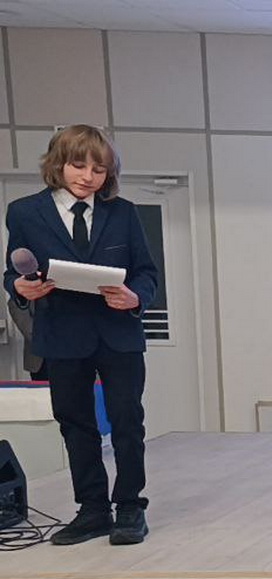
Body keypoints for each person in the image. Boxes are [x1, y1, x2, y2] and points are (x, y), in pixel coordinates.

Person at [3, 125, 158, 545]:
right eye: (78, 165)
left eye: (99, 170)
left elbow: (147, 273)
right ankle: (92, 509)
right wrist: (19, 288)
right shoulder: (24, 212)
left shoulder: (123, 213)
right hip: (62, 333)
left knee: (128, 422)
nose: (88, 177)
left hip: (118, 332)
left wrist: (135, 297)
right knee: (75, 424)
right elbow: (13, 271)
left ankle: (130, 506)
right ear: (58, 163)